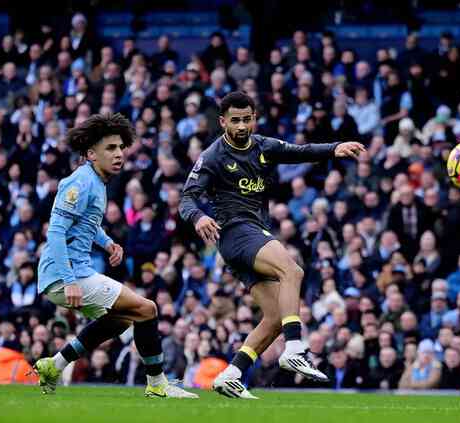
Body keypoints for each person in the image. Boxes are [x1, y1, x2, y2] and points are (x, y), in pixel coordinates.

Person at [180, 91, 365, 398]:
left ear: (254, 118)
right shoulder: (212, 156)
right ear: (223, 121)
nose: (241, 126)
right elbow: (187, 197)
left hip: (250, 236)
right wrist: (199, 217)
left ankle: (232, 373)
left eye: (247, 119)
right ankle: (294, 348)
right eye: (235, 120)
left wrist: (335, 148)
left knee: (276, 317)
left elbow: (301, 150)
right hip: (237, 233)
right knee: (292, 271)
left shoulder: (263, 145)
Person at [34, 113, 196, 399]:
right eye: (110, 148)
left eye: (121, 147)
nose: (119, 153)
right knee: (147, 309)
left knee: (124, 319)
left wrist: (108, 243)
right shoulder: (79, 182)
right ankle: (157, 384)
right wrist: (70, 280)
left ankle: (54, 364)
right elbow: (56, 233)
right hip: (65, 274)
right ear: (91, 154)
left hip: (72, 271)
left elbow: (86, 224)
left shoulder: (96, 181)